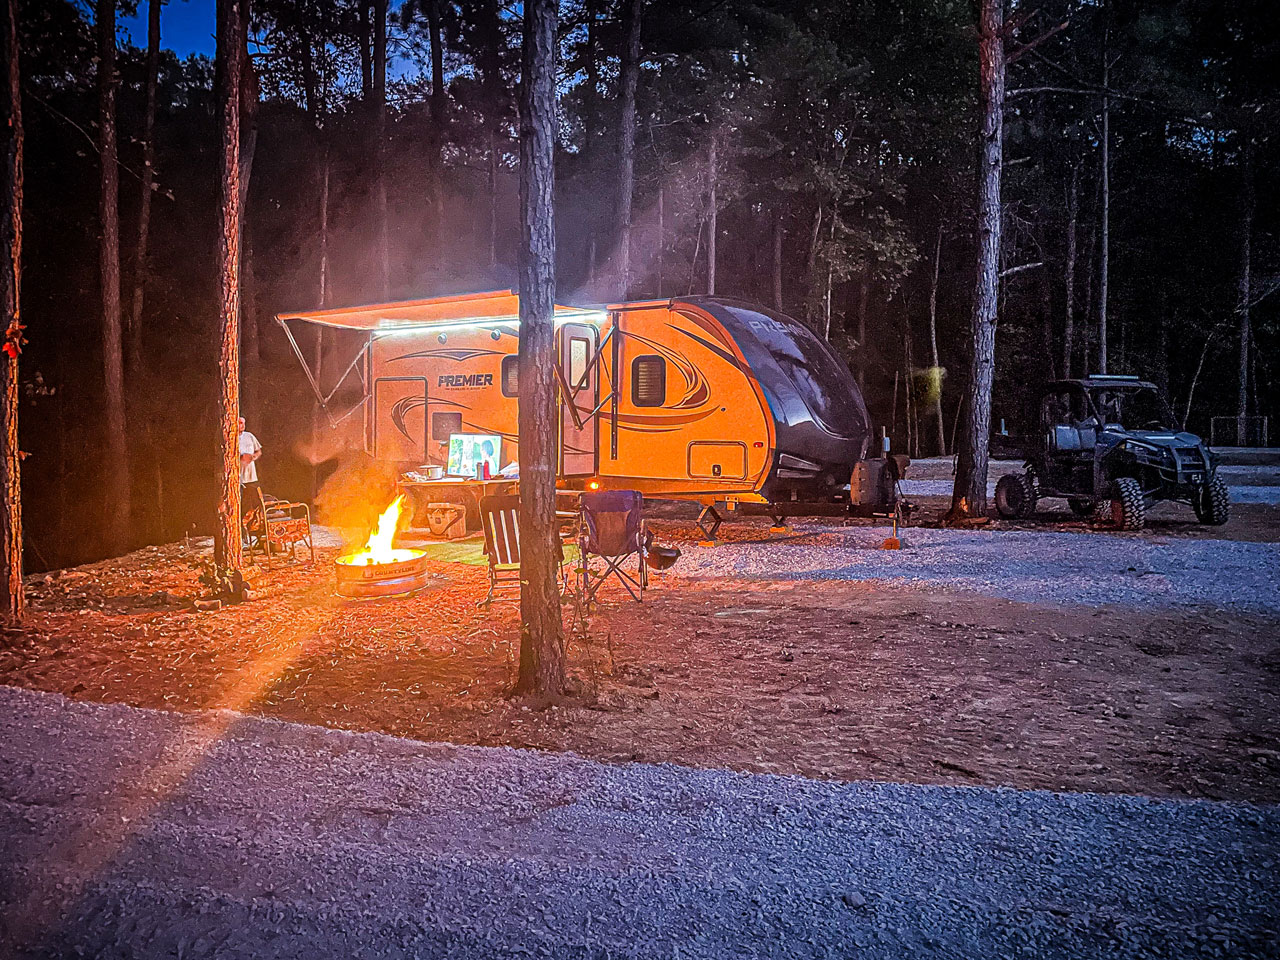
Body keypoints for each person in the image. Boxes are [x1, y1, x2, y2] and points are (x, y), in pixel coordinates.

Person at [238, 416, 262, 512]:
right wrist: (241, 457)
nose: (242, 425)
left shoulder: (249, 436)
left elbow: (258, 451)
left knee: (252, 503)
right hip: (239, 477)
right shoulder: (230, 438)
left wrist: (254, 457)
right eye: (240, 423)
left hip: (251, 477)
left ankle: (248, 524)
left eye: (243, 423)